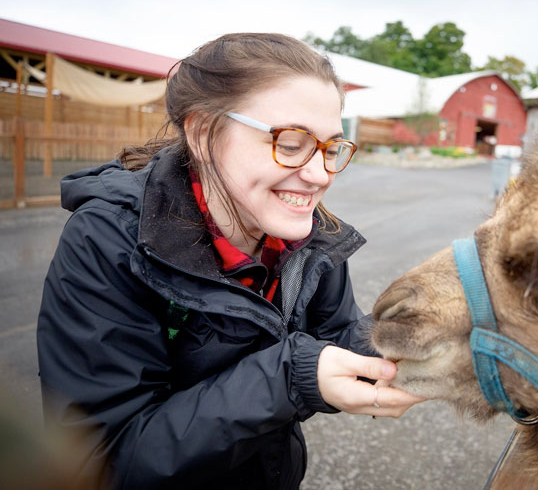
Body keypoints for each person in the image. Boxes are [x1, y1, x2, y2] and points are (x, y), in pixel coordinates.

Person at [36, 33, 425, 490]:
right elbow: (105, 461)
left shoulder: (308, 232)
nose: (320, 175)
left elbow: (335, 334)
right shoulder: (109, 240)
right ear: (203, 133)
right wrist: (293, 377)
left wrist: (415, 334)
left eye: (330, 148)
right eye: (292, 141)